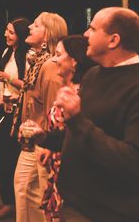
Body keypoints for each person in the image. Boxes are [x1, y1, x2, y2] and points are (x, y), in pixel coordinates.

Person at [52, 8, 139, 222]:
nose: (86, 34)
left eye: (93, 28)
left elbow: (136, 163)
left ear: (113, 40)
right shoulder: (93, 76)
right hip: (75, 203)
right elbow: (84, 134)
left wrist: (77, 120)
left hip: (111, 212)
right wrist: (48, 140)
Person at [31, 35, 95, 221]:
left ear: (74, 61)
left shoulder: (81, 93)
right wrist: (50, 147)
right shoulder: (67, 88)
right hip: (57, 166)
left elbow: (81, 132)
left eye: (58, 54)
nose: (54, 59)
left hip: (72, 173)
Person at [13, 12, 67, 222]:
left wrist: (47, 142)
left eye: (35, 25)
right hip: (32, 138)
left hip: (43, 142)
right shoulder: (36, 63)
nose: (29, 28)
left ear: (47, 36)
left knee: (38, 192)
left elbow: (54, 110)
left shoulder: (51, 67)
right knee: (25, 188)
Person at [0, 17, 30, 219]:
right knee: (2, 160)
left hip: (22, 114)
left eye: (11, 32)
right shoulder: (7, 53)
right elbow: (3, 89)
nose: (6, 34)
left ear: (21, 35)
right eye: (6, 31)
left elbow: (30, 87)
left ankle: (16, 203)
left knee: (14, 159)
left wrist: (7, 77)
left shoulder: (29, 57)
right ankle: (8, 201)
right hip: (7, 111)